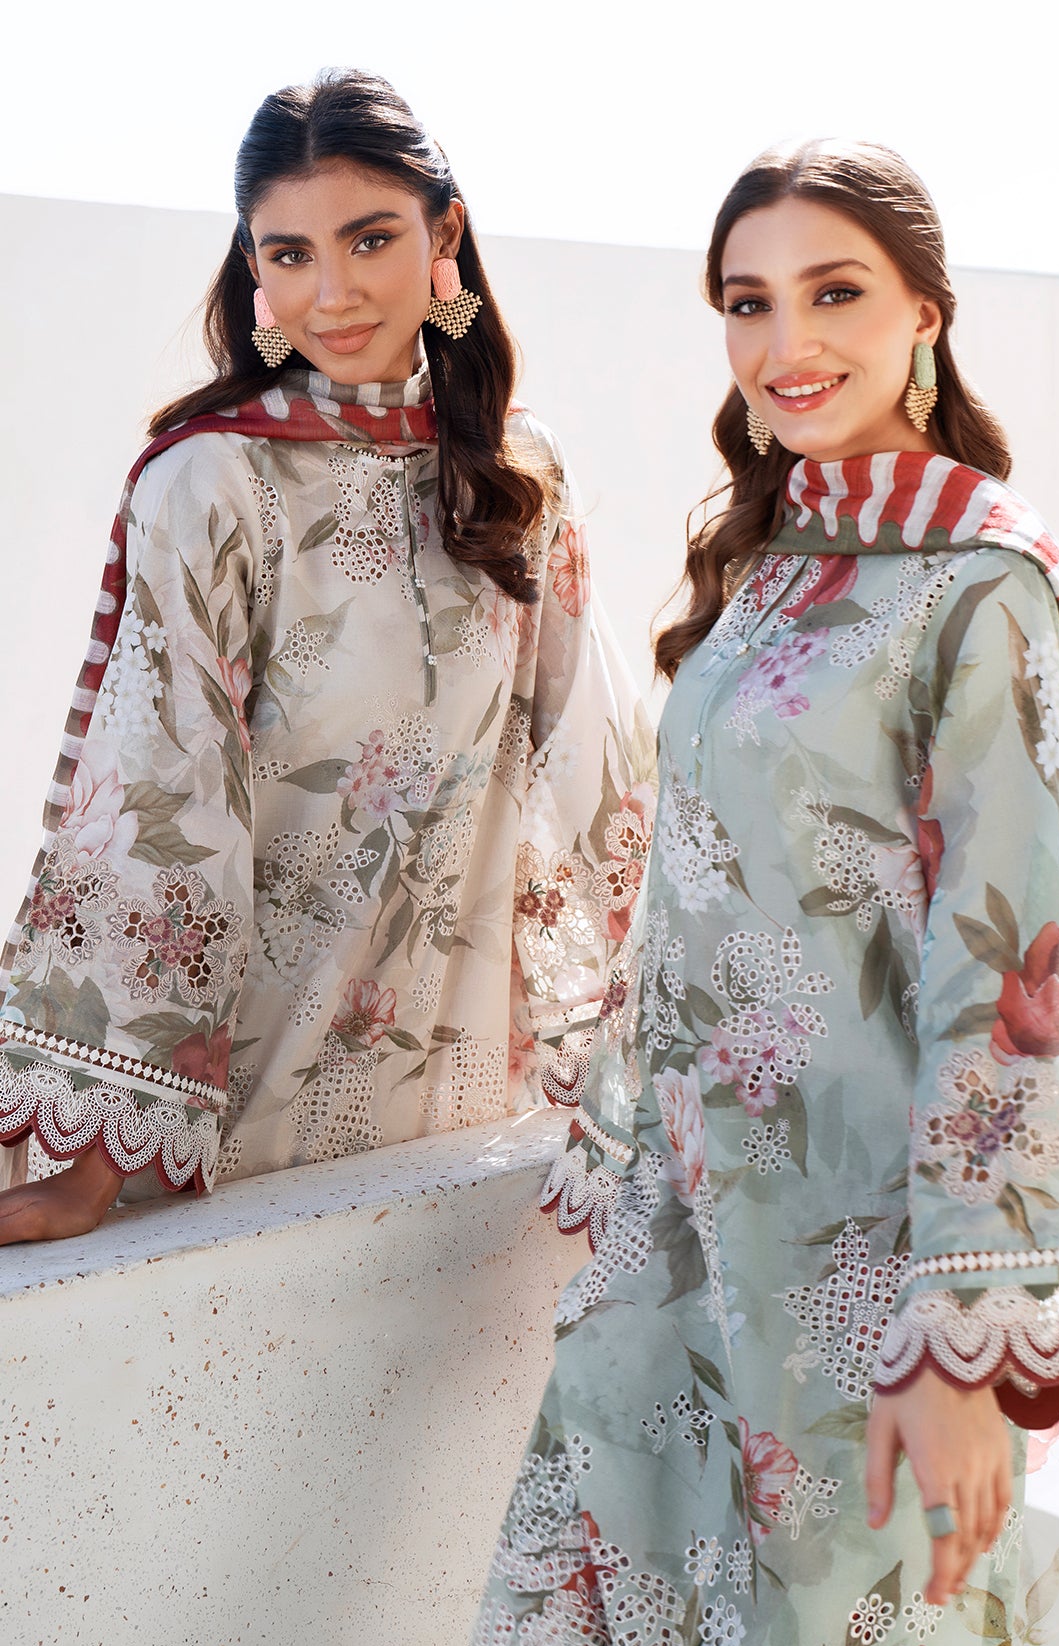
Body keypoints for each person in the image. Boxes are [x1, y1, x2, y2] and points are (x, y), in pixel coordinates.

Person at [438, 140, 1059, 1646]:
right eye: (748, 302)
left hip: (867, 1305)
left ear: (926, 311)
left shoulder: (980, 587)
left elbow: (1023, 978)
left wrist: (967, 1361)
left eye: (834, 292)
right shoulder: (776, 564)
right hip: (688, 1272)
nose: (786, 343)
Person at [0, 69, 653, 1243]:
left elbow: (601, 772)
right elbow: (160, 797)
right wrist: (91, 1166)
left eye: (370, 240)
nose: (334, 293)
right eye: (291, 254)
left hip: (458, 1106)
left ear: (444, 235)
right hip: (235, 1110)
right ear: (253, 267)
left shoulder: (514, 480)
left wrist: (657, 1071)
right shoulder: (211, 481)